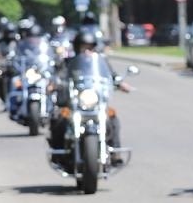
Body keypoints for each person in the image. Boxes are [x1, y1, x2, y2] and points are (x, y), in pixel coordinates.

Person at [48, 27, 131, 158]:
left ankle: (115, 152)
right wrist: (54, 83)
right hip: (75, 101)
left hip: (94, 100)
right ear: (77, 47)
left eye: (90, 47)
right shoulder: (69, 62)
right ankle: (58, 154)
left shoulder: (100, 61)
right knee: (58, 118)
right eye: (83, 47)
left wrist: (120, 83)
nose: (87, 50)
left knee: (113, 118)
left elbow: (110, 75)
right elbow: (60, 74)